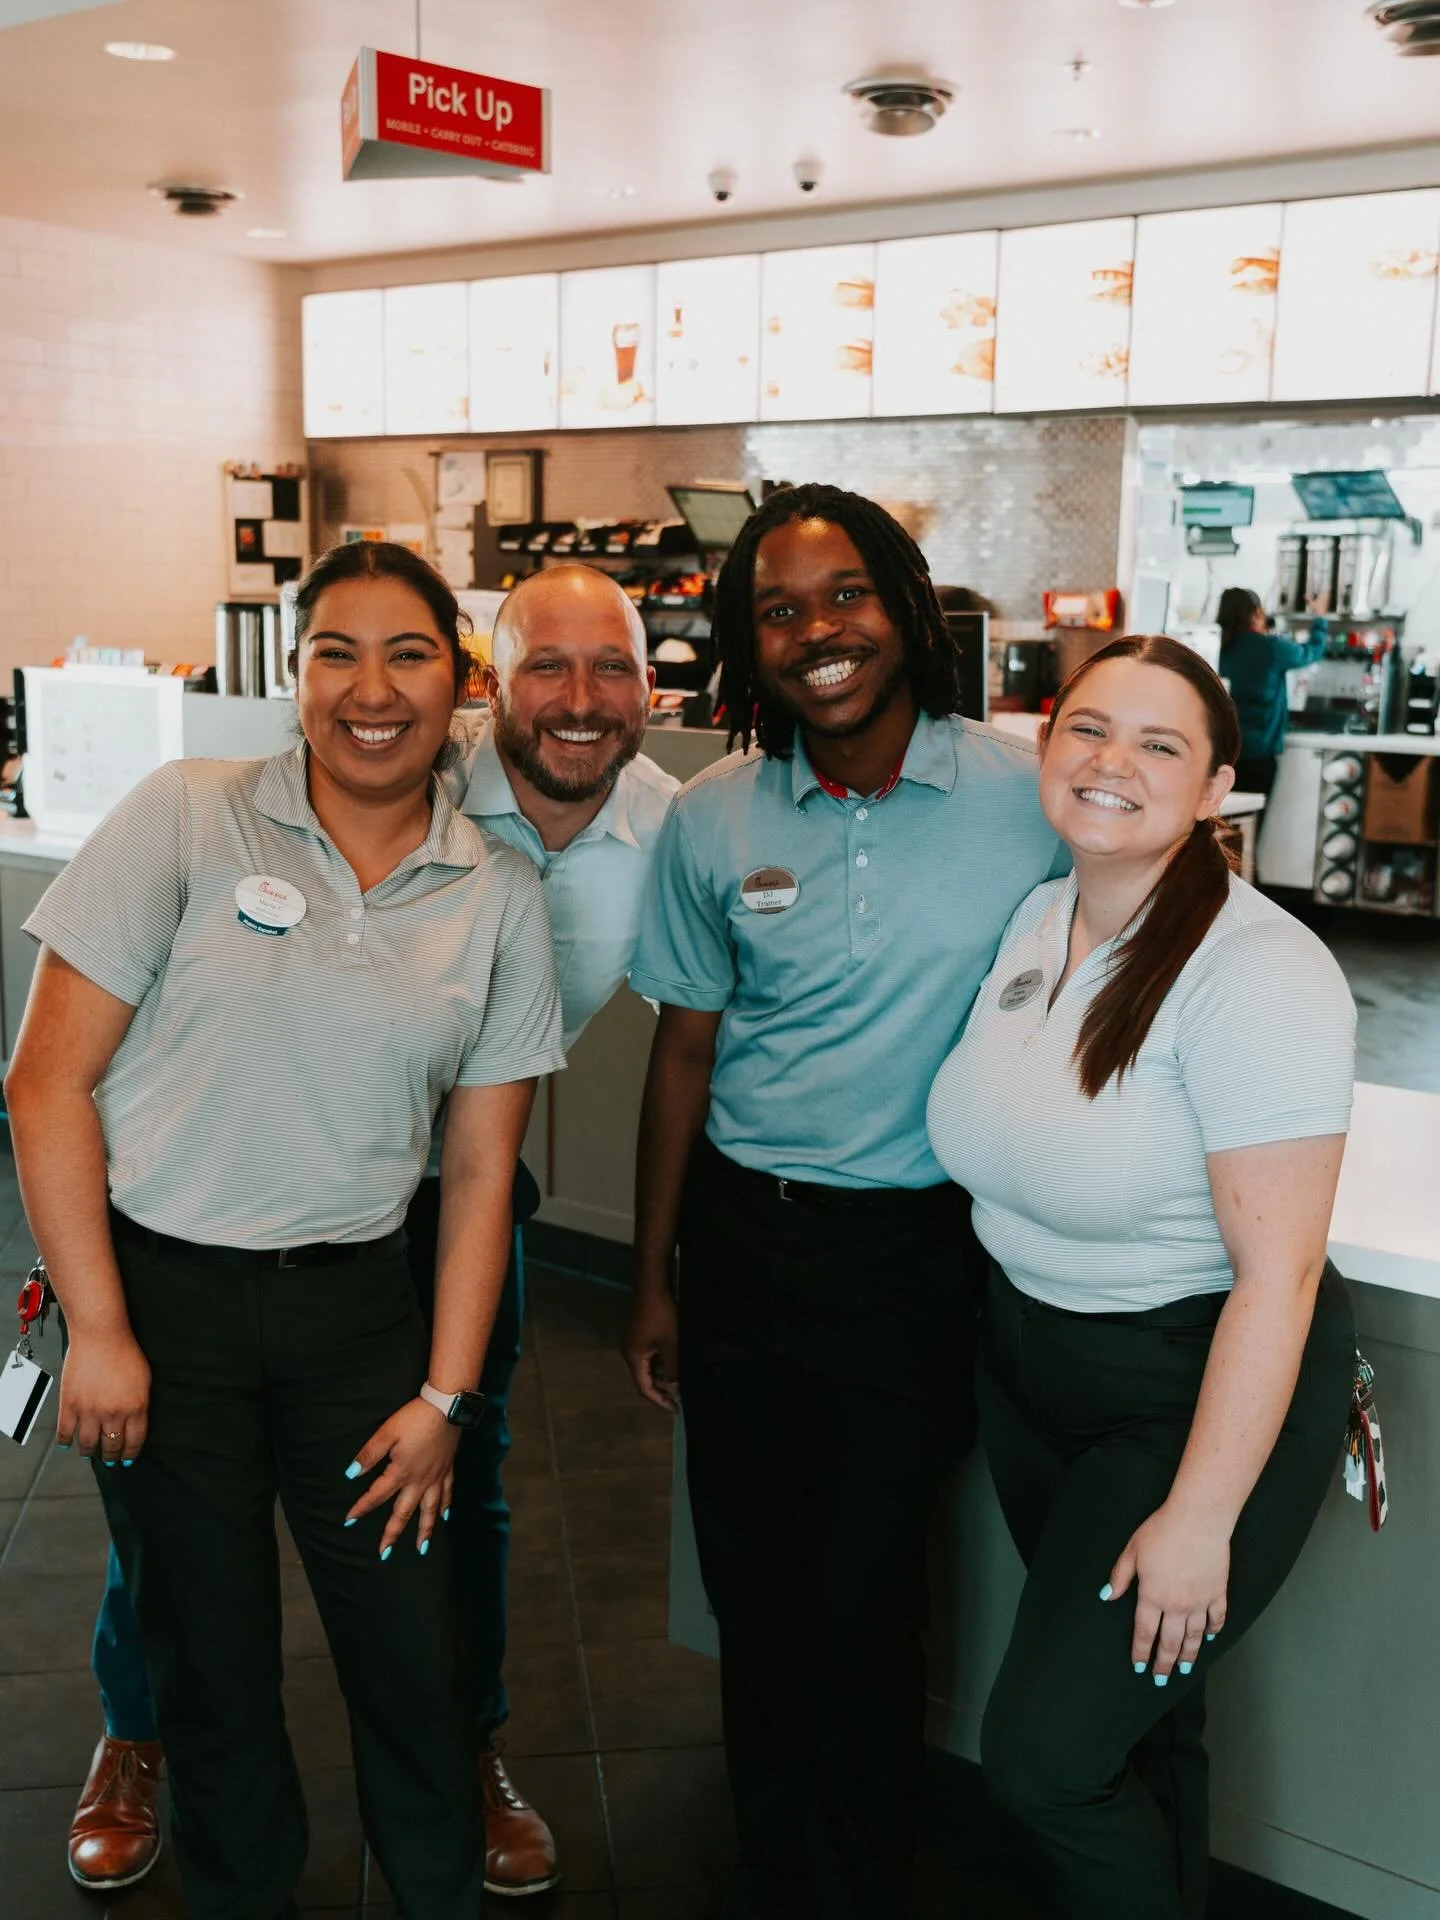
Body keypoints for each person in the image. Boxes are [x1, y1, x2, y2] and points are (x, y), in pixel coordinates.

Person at [63, 559, 680, 1903]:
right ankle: (141, 1734)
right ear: (495, 690)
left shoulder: (561, 860)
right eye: (335, 653)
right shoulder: (195, 813)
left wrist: (448, 1392)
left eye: (407, 655)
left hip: (379, 1274)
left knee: (429, 1585)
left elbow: (481, 1158)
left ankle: (463, 1775)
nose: (371, 688)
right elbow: (46, 1075)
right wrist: (98, 1325)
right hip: (181, 1275)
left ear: (448, 679)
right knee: (194, 1608)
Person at [623, 483, 1066, 1920]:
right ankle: (773, 1874)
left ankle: (860, 1885)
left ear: (907, 605)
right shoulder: (712, 816)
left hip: (916, 1258)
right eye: (778, 611)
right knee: (755, 1596)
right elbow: (684, 1050)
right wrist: (653, 1277)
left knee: (867, 1602)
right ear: (747, 651)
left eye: (846, 596)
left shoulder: (1024, 795)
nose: (818, 633)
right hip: (745, 1244)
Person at [926, 634, 1355, 1919]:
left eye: (1160, 744)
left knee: (1046, 1762)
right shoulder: (1039, 913)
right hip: (1035, 1370)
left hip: (1182, 1395)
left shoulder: (1258, 972)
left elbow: (1276, 1279)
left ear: (1218, 784)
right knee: (1141, 1730)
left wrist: (1201, 1517)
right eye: (1088, 729)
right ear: (1044, 746)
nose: (1113, 763)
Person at [1216, 584, 1326, 797]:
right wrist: (1319, 619)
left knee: (1219, 821)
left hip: (1221, 755)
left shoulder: (1216, 646)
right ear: (1255, 613)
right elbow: (1311, 652)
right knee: (1248, 822)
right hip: (1258, 756)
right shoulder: (1271, 647)